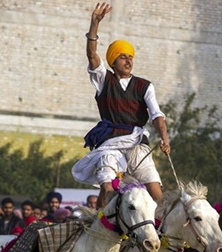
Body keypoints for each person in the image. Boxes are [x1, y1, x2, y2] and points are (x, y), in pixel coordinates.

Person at [72, 3, 170, 209]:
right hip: (111, 142)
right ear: (113, 61)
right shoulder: (103, 79)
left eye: (130, 57)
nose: (128, 60)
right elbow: (91, 55)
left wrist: (164, 137)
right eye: (123, 56)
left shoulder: (144, 85)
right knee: (107, 185)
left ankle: (163, 234)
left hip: (136, 142)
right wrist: (94, 24)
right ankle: (101, 226)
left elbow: (156, 115)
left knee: (157, 196)